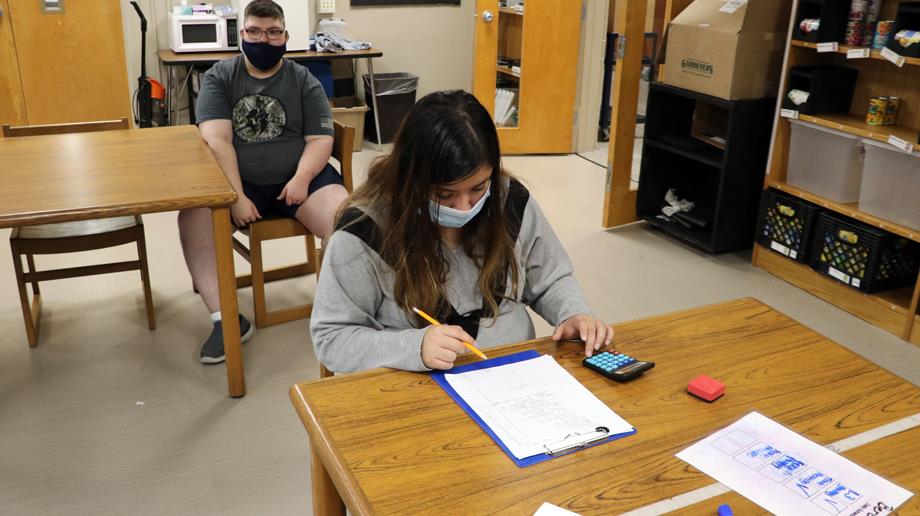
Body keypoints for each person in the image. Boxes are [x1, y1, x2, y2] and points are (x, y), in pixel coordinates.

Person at [311, 90, 613, 373]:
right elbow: (332, 337)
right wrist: (414, 346)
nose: (464, 206)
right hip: (414, 385)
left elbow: (550, 278)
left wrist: (573, 313)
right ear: (409, 178)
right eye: (443, 195)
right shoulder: (362, 232)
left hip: (511, 374)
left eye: (478, 188)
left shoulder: (509, 200)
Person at [178, 0, 348, 364]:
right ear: (242, 34)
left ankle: (347, 311)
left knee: (347, 220)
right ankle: (225, 319)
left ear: (285, 36)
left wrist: (302, 178)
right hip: (240, 183)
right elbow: (217, 140)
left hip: (300, 180)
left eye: (273, 33)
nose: (263, 40)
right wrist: (236, 196)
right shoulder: (220, 77)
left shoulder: (304, 79)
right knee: (193, 214)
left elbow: (320, 140)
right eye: (254, 31)